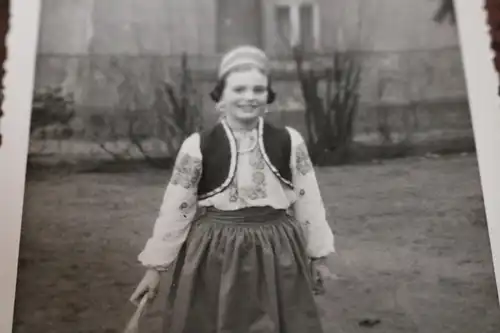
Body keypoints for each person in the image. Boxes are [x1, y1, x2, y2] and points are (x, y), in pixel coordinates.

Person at [129, 45, 337, 333]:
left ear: (268, 98)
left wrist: (318, 257)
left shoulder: (289, 141)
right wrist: (155, 268)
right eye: (239, 89)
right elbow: (176, 209)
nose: (249, 97)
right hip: (215, 251)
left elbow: (308, 200)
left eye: (258, 90)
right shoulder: (198, 145)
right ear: (220, 98)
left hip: (277, 250)